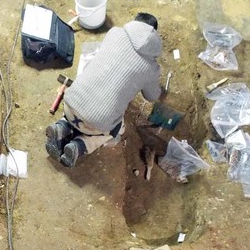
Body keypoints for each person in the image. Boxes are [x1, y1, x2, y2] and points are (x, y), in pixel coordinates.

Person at [45, 13, 164, 168]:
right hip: (96, 123)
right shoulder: (151, 68)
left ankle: (62, 127)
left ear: (134, 23)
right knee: (115, 132)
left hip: (70, 102)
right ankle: (79, 145)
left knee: (79, 108)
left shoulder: (115, 33)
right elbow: (153, 96)